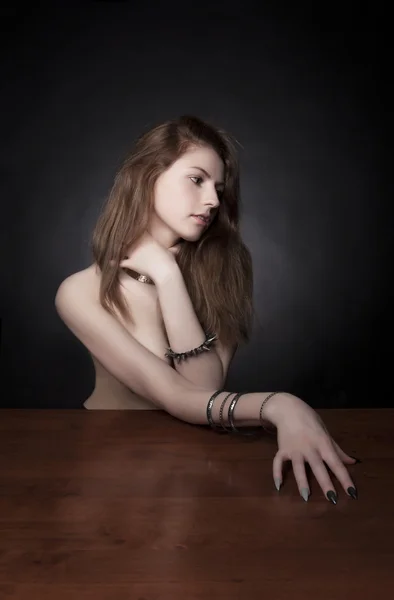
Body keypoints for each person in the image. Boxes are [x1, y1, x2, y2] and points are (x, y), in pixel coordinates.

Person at [55, 114, 359, 505]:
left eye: (217, 187)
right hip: (107, 462)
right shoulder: (80, 292)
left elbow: (203, 391)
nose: (214, 200)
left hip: (197, 459)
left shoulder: (226, 269)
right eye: (196, 180)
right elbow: (177, 396)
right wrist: (279, 405)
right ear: (147, 176)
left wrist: (169, 280)